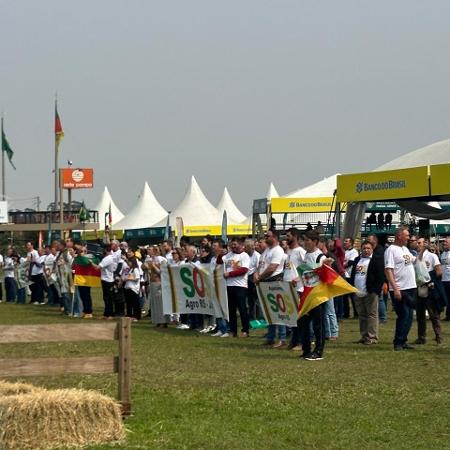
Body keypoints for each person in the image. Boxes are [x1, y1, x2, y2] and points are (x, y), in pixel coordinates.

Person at [297, 230, 331, 361]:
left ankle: (318, 351)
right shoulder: (306, 255)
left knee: (318, 324)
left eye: (307, 240)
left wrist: (325, 267)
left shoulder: (320, 257)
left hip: (318, 294)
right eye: (304, 240)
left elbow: (326, 276)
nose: (304, 243)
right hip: (307, 293)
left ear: (315, 242)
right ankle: (306, 350)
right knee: (303, 321)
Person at [384, 226, 417, 351]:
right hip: (400, 287)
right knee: (403, 314)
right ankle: (397, 342)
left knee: (409, 315)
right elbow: (388, 270)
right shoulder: (391, 250)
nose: (408, 238)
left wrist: (423, 251)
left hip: (410, 286)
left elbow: (414, 261)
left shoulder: (405, 249)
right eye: (407, 235)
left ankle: (403, 340)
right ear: (399, 236)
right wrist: (395, 288)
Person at [254, 229, 286, 347]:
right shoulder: (267, 250)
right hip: (264, 282)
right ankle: (270, 337)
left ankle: (282, 338)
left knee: (279, 312)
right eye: (266, 236)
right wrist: (256, 274)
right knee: (269, 312)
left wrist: (260, 277)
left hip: (274, 282)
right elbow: (261, 265)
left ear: (275, 237)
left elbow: (272, 268)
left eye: (268, 236)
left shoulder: (278, 250)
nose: (266, 237)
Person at [350, 241, 385, 345]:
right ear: (361, 249)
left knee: (372, 315)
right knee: (362, 315)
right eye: (364, 248)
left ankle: (372, 337)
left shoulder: (376, 260)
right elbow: (353, 274)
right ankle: (364, 336)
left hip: (370, 292)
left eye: (368, 248)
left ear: (372, 249)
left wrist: (376, 291)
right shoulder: (357, 260)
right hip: (357, 291)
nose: (366, 250)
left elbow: (380, 277)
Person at [415, 238, 443, 345]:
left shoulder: (432, 256)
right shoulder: (415, 256)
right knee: (420, 314)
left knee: (433, 314)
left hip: (429, 287)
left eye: (419, 243)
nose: (417, 245)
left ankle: (439, 337)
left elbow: (439, 271)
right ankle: (421, 337)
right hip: (418, 286)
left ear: (425, 244)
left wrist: (433, 281)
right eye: (416, 243)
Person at [222, 238, 251, 338]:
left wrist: (229, 274)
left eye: (235, 244)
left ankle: (245, 330)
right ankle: (233, 330)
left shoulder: (244, 255)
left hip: (240, 286)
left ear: (240, 244)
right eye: (231, 244)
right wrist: (221, 253)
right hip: (229, 285)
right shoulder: (228, 255)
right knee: (231, 309)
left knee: (242, 309)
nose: (233, 246)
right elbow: (220, 261)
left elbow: (244, 270)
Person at [284, 228, 306, 350]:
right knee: (291, 317)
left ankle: (300, 342)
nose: (286, 238)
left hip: (298, 288)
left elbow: (307, 267)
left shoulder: (300, 251)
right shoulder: (288, 251)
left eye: (288, 236)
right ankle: (294, 340)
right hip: (287, 287)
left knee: (298, 317)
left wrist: (298, 279)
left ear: (295, 236)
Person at [318, 237, 339, 342]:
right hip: (321, 286)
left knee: (330, 311)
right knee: (325, 311)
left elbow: (335, 271)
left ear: (322, 243)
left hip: (329, 286)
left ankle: (334, 332)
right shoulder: (319, 256)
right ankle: (327, 333)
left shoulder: (330, 256)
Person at [123, 249, 142, 322]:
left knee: (135, 303)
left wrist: (129, 278)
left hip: (133, 288)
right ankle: (129, 315)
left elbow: (137, 278)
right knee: (128, 303)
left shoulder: (135, 269)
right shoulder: (129, 269)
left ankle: (136, 316)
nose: (128, 264)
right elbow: (124, 276)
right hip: (127, 287)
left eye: (129, 263)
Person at [244, 239, 261, 321]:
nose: (245, 249)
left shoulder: (257, 255)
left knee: (254, 299)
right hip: (246, 277)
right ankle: (251, 316)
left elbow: (259, 268)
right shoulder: (245, 255)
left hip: (253, 278)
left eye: (246, 247)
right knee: (249, 299)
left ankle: (257, 317)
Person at [343, 237, 359, 318]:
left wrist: (341, 265)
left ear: (351, 243)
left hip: (350, 276)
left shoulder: (354, 252)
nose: (344, 242)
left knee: (353, 295)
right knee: (344, 296)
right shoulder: (344, 251)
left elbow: (351, 262)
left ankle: (356, 313)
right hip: (344, 275)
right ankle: (346, 313)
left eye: (346, 241)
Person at [441, 237, 450, 321]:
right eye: (444, 242)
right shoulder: (443, 253)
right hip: (444, 280)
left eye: (446, 242)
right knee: (446, 298)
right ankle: (448, 315)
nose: (444, 243)